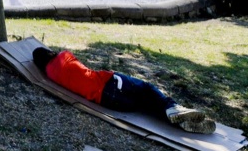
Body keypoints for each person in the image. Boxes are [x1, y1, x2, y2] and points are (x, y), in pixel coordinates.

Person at [32, 47, 217, 134]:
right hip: (110, 83)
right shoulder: (64, 55)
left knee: (146, 104)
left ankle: (180, 123)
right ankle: (173, 108)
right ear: (49, 52)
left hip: (110, 103)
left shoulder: (49, 74)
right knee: (147, 88)